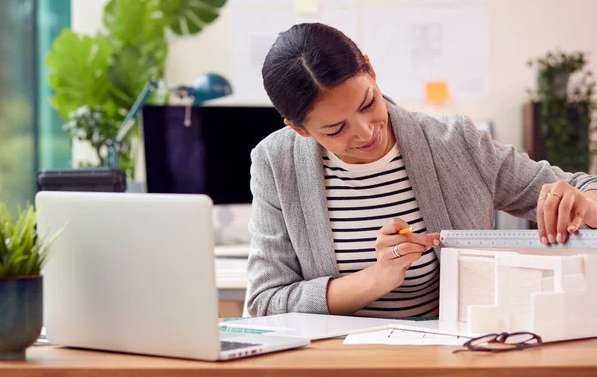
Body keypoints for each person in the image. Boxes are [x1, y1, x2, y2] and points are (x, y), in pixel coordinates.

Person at [246, 22, 597, 318]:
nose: (366, 131)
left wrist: (581, 203)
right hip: (334, 363)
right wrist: (377, 278)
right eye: (335, 130)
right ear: (300, 129)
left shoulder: (455, 143)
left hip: (449, 358)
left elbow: (587, 185)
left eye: (368, 103)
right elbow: (265, 303)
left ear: (370, 69)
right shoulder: (277, 163)